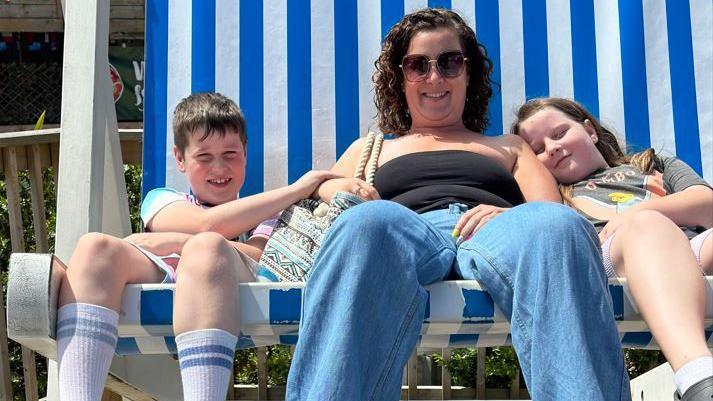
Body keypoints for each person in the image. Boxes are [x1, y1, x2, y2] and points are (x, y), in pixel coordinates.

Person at [284, 8, 630, 401]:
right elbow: (323, 195)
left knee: (558, 228)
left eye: (449, 63)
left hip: (495, 231)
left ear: (469, 74)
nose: (435, 77)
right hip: (401, 230)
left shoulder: (508, 147)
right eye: (419, 65)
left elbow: (551, 210)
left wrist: (511, 213)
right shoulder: (370, 148)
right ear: (401, 78)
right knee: (364, 223)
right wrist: (339, 188)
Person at [54, 92, 337, 401]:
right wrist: (295, 189)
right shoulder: (162, 199)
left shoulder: (270, 213)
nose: (218, 168)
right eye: (204, 157)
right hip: (164, 274)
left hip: (223, 281)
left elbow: (259, 257)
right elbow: (207, 223)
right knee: (94, 247)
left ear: (245, 153)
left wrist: (177, 241)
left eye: (230, 154)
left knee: (206, 249)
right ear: (180, 159)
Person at [513, 97, 713, 401]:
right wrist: (640, 220)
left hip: (687, 248)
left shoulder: (652, 162)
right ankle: (697, 380)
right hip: (611, 260)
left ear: (590, 130)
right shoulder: (555, 201)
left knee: (646, 221)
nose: (551, 147)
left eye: (559, 133)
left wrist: (632, 214)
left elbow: (707, 204)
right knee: (647, 227)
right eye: (537, 150)